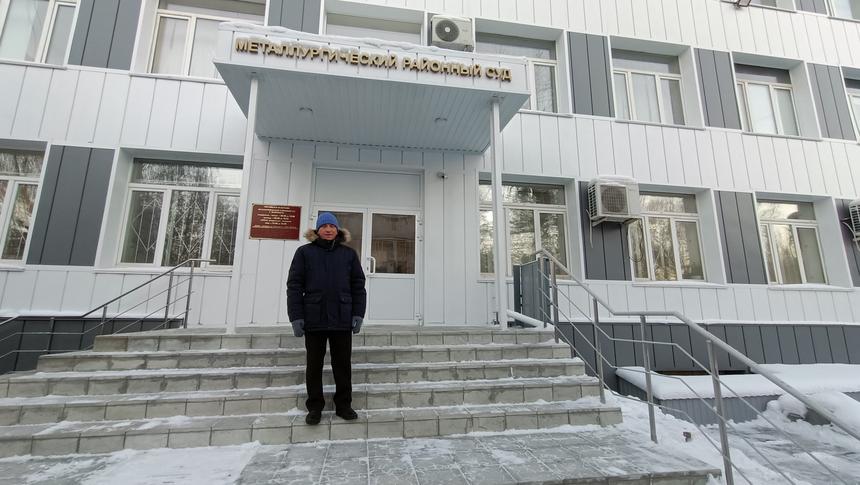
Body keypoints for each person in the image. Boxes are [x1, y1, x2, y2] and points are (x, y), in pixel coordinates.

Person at [287, 212, 367, 425]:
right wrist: (296, 317)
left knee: (342, 365)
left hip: (342, 318)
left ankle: (344, 405)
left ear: (338, 230)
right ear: (317, 230)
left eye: (332, 226)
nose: (329, 229)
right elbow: (294, 286)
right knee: (314, 365)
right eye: (324, 226)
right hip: (314, 318)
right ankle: (315, 407)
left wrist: (358, 313)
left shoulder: (348, 254)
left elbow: (358, 286)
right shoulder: (304, 253)